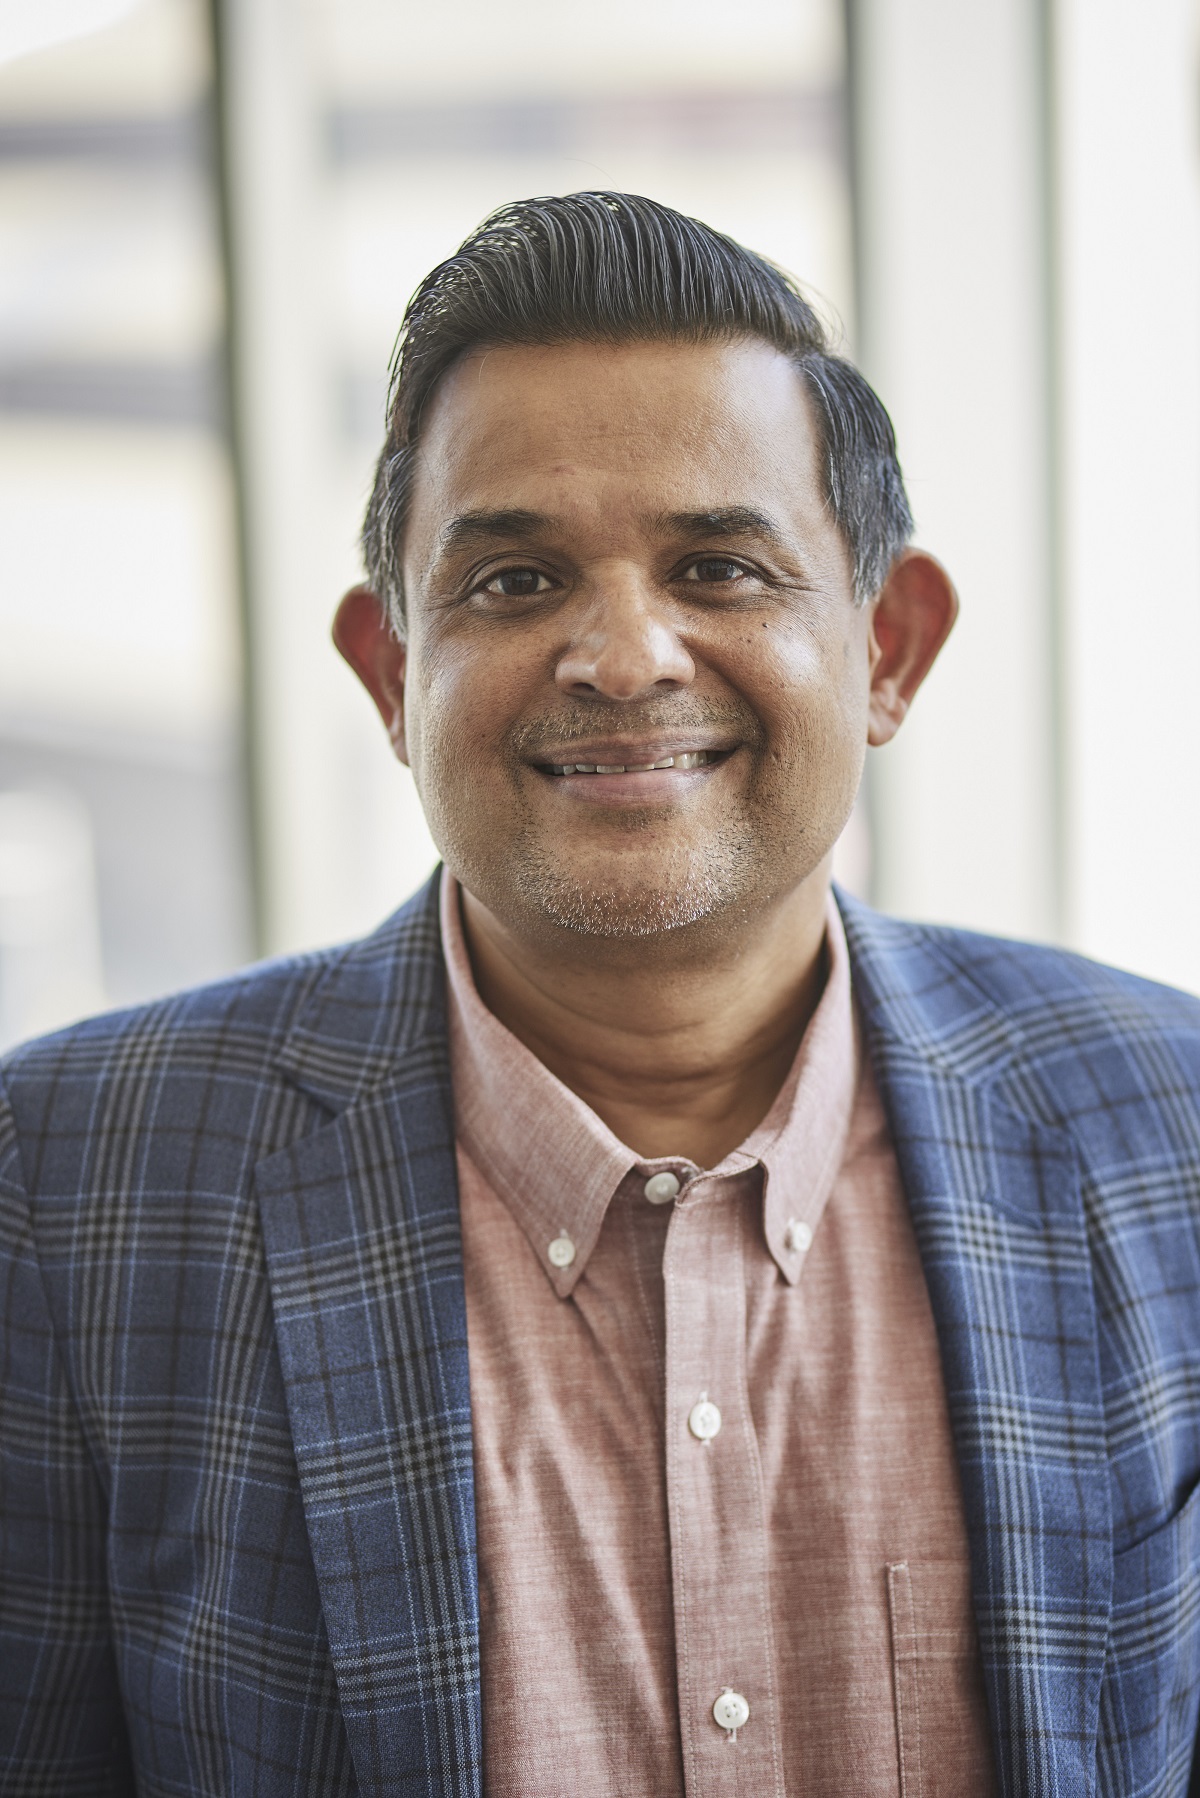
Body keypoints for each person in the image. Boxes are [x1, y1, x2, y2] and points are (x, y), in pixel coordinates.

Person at [2, 192, 1199, 1798]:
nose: (624, 656)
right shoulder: (71, 1182)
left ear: (890, 647)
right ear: (387, 671)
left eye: (718, 564)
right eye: (512, 581)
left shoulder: (1168, 1123)